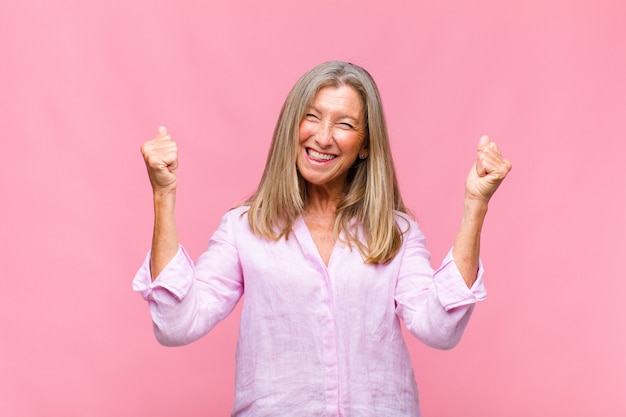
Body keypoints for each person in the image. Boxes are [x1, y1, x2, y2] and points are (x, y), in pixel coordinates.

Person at [133, 61, 511, 416]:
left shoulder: (396, 232)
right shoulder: (243, 227)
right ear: (291, 126)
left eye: (344, 124)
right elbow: (176, 325)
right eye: (311, 116)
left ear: (365, 144)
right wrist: (163, 196)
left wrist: (475, 204)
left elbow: (440, 330)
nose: (323, 136)